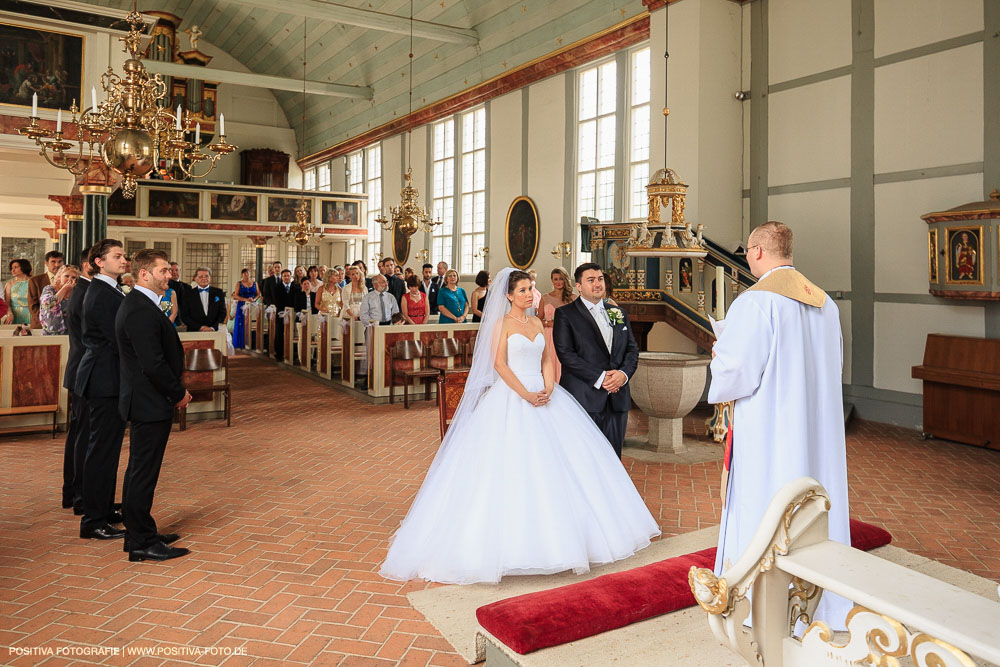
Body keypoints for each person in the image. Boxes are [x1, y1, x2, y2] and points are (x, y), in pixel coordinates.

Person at [379, 268, 659, 584]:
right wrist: (525, 392)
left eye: (531, 288)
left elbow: (547, 359)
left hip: (546, 395)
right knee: (511, 469)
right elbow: (499, 364)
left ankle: (573, 538)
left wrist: (550, 386)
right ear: (509, 295)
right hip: (512, 396)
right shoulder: (502, 324)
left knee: (566, 465)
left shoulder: (538, 322)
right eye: (523, 290)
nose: (529, 294)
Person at [708, 221, 850, 628]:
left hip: (770, 429)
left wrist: (721, 353)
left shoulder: (755, 302)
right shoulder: (825, 302)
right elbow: (833, 365)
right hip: (816, 425)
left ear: (755, 252)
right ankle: (823, 600)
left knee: (767, 500)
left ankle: (760, 600)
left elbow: (737, 373)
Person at [115, 248, 192, 562]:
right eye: (163, 271)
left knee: (141, 469)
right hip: (148, 401)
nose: (169, 276)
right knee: (142, 471)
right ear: (144, 274)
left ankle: (139, 532)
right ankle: (142, 542)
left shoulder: (142, 304)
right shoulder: (137, 309)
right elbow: (153, 364)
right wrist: (178, 393)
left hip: (147, 399)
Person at [552, 263, 639, 459]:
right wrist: (601, 378)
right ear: (579, 286)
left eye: (600, 279)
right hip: (584, 396)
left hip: (617, 398)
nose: (597, 283)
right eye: (590, 280)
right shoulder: (566, 315)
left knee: (613, 457)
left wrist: (622, 375)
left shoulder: (619, 313)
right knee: (583, 457)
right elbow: (566, 354)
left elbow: (632, 350)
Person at [76, 239, 129, 540]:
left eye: (124, 256)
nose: (124, 261)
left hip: (109, 377)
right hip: (103, 378)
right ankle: (93, 520)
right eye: (117, 256)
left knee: (107, 450)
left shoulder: (110, 289)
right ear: (99, 262)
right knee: (101, 451)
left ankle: (104, 508)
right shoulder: (100, 293)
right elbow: (117, 339)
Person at [61, 249, 93, 513]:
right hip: (85, 371)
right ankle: (81, 496)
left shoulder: (85, 290)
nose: (123, 261)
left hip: (82, 370)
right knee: (83, 435)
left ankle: (72, 492)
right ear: (89, 264)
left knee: (78, 433)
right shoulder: (84, 293)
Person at [539, 267, 577, 382]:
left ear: (565, 280)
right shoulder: (545, 298)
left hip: (566, 335)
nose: (559, 282)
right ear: (552, 280)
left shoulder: (573, 298)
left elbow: (577, 320)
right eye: (556, 279)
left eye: (561, 279)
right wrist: (548, 323)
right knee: (549, 362)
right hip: (549, 336)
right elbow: (538, 320)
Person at [181, 267, 227, 332]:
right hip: (194, 331)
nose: (204, 278)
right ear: (195, 279)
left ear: (210, 278)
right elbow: (184, 315)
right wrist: (200, 327)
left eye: (206, 276)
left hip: (214, 331)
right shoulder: (187, 294)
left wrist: (213, 327)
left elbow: (223, 313)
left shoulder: (218, 293)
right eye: (201, 276)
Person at [27, 250, 65, 328]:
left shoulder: (69, 279)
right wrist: (47, 321)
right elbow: (33, 305)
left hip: (64, 324)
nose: (57, 265)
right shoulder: (35, 280)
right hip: (41, 325)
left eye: (60, 261)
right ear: (46, 263)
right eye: (53, 262)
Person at [39, 265, 79, 335]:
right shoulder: (49, 289)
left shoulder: (76, 292)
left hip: (71, 332)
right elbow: (48, 304)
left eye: (73, 277)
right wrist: (65, 288)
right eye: (66, 276)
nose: (70, 279)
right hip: (51, 332)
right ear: (59, 277)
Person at [272, 269, 299, 361]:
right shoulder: (277, 287)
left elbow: (296, 300)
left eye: (288, 276)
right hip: (281, 313)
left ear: (291, 277)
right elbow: (276, 300)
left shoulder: (295, 287)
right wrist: (285, 310)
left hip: (292, 313)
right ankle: (279, 353)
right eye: (284, 276)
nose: (286, 277)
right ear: (282, 277)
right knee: (279, 333)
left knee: (292, 332)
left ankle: (291, 352)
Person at [231, 268, 259, 348]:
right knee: (242, 323)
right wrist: (246, 300)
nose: (246, 275)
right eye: (244, 273)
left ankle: (252, 343)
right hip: (242, 305)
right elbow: (236, 295)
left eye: (247, 273)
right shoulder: (239, 283)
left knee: (252, 323)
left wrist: (254, 299)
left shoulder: (255, 283)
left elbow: (258, 294)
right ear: (242, 275)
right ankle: (241, 343)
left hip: (253, 305)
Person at [3, 258, 31, 325]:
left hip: (32, 315)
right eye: (11, 268)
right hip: (15, 316)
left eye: (15, 267)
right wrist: (9, 313)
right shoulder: (9, 284)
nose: (12, 270)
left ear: (24, 267)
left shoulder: (34, 282)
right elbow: (7, 303)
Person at [167, 262, 187, 327]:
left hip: (184, 322)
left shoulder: (187, 287)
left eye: (176, 270)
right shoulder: (165, 287)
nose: (174, 272)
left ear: (180, 271)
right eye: (171, 270)